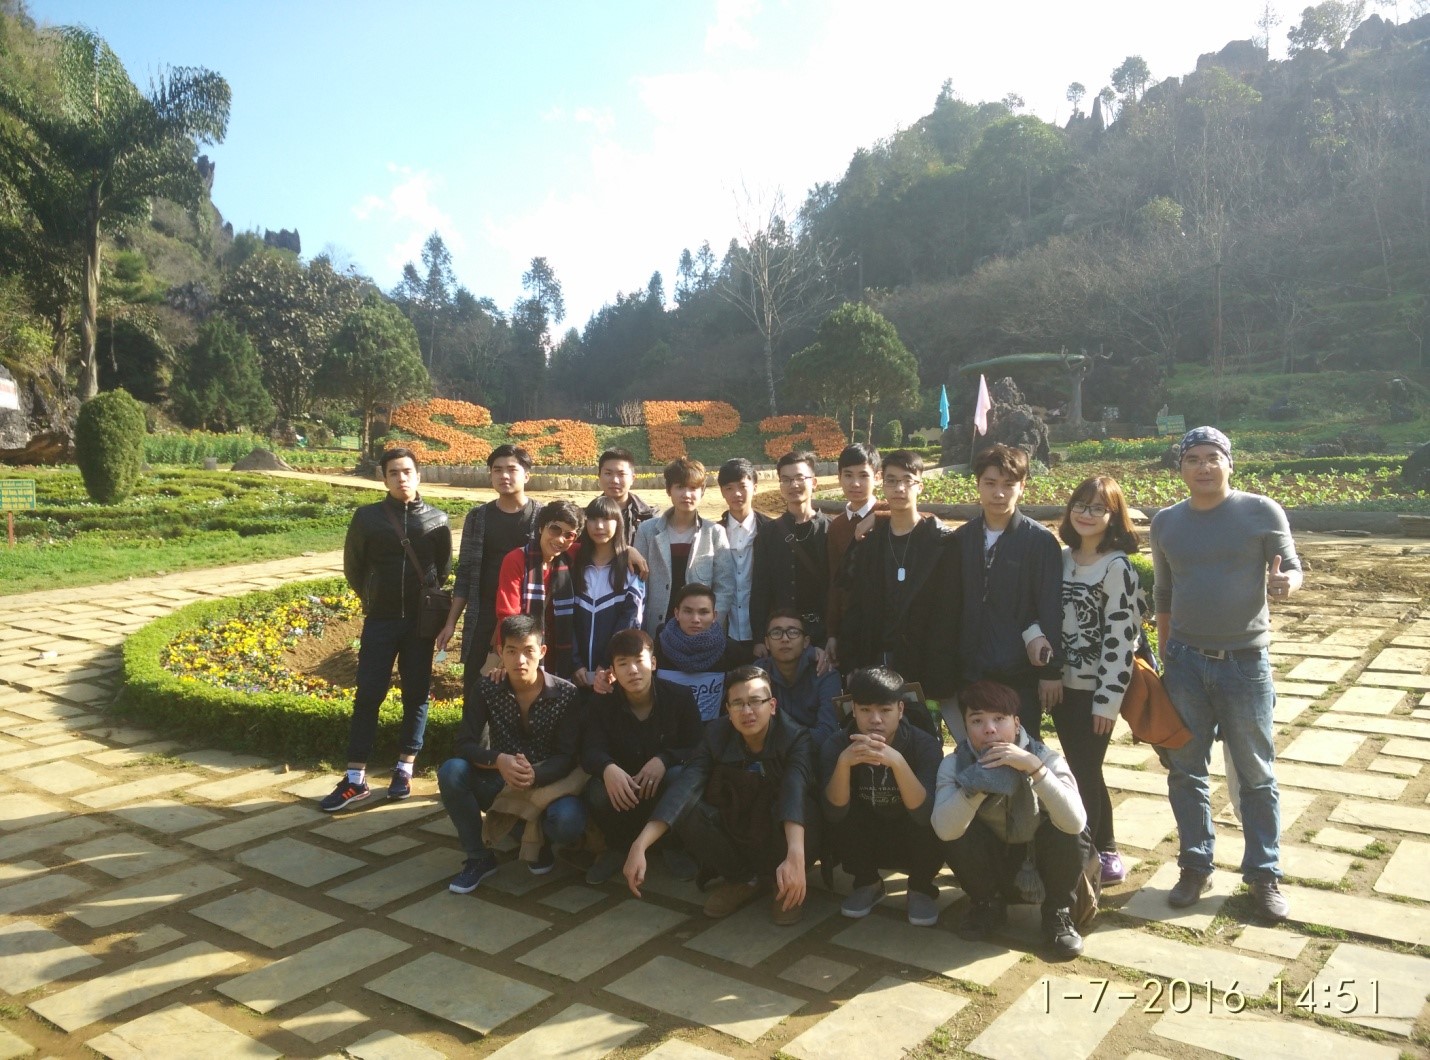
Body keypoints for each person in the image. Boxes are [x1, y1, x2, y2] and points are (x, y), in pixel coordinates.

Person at [1151, 426, 1301, 920]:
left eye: (1213, 457)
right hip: (1185, 664)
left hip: (1245, 663)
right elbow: (1163, 593)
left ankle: (1263, 874)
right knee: (1185, 770)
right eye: (1193, 458)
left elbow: (1292, 567)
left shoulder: (1261, 511)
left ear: (1229, 463)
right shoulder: (1167, 522)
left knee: (1256, 774)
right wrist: (1166, 655)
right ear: (1181, 468)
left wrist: (1286, 583)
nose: (1203, 466)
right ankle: (1195, 865)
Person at [623, 665, 816, 925]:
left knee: (803, 808)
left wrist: (795, 856)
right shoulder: (716, 733)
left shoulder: (795, 737)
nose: (747, 711)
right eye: (738, 703)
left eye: (755, 701)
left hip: (782, 829)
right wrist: (640, 844)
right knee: (689, 810)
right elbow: (686, 786)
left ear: (772, 705)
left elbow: (795, 791)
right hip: (739, 822)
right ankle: (742, 880)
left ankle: (784, 880)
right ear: (728, 710)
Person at [323, 447, 451, 812]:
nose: (401, 478)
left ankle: (404, 769)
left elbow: (442, 570)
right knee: (368, 694)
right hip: (380, 621)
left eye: (407, 471)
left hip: (418, 624)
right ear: (384, 479)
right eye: (393, 472)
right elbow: (354, 567)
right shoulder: (367, 518)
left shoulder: (437, 520)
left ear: (418, 475)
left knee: (416, 694)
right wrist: (373, 595)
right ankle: (355, 778)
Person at [931, 680, 1088, 959]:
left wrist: (1035, 770)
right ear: (966, 727)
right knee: (954, 819)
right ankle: (986, 904)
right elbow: (944, 830)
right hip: (995, 862)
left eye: (999, 719)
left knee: (1067, 822)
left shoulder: (1045, 758)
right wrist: (979, 784)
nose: (989, 729)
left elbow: (1075, 822)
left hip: (1041, 862)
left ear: (1016, 724)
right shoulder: (954, 764)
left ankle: (1058, 912)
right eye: (977, 721)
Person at [437, 614, 587, 889]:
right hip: (500, 781)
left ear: (542, 651)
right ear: (500, 652)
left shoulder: (566, 694)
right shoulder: (487, 688)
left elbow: (568, 756)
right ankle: (479, 857)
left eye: (528, 651)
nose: (520, 660)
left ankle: (538, 842)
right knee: (451, 771)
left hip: (547, 784)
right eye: (511, 651)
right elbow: (464, 744)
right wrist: (499, 761)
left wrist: (535, 775)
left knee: (568, 821)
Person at [1055, 475, 1142, 887]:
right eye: (1080, 505)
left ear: (1113, 516)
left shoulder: (1117, 567)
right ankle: (1090, 845)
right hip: (1060, 687)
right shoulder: (1062, 558)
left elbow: (1122, 639)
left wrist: (1107, 701)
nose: (1086, 514)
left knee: (1086, 769)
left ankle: (1101, 850)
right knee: (1079, 767)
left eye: (1097, 508)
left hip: (1094, 691)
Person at [951, 443, 1063, 737]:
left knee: (1021, 749)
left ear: (1022, 487)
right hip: (971, 670)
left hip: (1018, 672)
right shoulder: (962, 538)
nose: (998, 493)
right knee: (975, 749)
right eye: (990, 483)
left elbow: (1051, 608)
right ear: (977, 484)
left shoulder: (1039, 541)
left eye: (1008, 484)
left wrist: (1050, 671)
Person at [821, 667, 944, 926]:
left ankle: (920, 887)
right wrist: (844, 764)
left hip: (912, 834)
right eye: (865, 710)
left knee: (937, 814)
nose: (875, 719)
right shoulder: (836, 744)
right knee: (840, 805)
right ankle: (868, 883)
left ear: (900, 709)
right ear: (853, 710)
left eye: (885, 710)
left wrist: (897, 762)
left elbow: (925, 814)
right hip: (867, 835)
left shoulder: (924, 745)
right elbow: (833, 814)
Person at [581, 628, 703, 884]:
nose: (633, 670)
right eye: (623, 664)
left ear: (654, 663)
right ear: (613, 671)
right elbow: (590, 750)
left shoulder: (679, 698)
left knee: (680, 777)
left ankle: (671, 845)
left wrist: (664, 759)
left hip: (661, 784)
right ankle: (618, 848)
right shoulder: (601, 703)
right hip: (623, 786)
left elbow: (697, 746)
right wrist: (607, 768)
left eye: (639, 660)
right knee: (596, 790)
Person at [839, 449, 959, 705]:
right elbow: (856, 605)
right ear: (882, 484)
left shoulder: (940, 544)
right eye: (892, 481)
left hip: (923, 663)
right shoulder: (870, 544)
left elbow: (948, 614)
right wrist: (851, 661)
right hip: (877, 660)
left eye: (907, 480)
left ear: (920, 486)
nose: (899, 488)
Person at [437, 445, 539, 686]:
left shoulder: (542, 517)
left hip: (528, 617)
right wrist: (451, 622)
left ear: (526, 475)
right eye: (497, 470)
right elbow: (465, 573)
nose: (504, 475)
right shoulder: (477, 517)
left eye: (512, 469)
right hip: (483, 615)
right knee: (476, 684)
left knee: (523, 686)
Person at [633, 457, 735, 635]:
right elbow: (638, 584)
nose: (686, 494)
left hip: (701, 629)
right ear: (668, 490)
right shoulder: (647, 531)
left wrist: (711, 624)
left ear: (702, 491)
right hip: (657, 627)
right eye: (680, 487)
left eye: (693, 488)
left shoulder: (714, 532)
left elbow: (724, 586)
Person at [493, 499, 583, 679]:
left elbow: (605, 548)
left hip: (558, 647)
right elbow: (508, 613)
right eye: (554, 529)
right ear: (541, 527)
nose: (560, 539)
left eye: (569, 535)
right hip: (524, 648)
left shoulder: (572, 555)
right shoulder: (516, 559)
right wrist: (513, 655)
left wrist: (629, 551)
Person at [751, 451, 832, 649]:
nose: (793, 485)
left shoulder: (831, 529)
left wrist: (834, 635)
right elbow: (760, 588)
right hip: (782, 635)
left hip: (823, 631)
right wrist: (759, 639)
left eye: (799, 478)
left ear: (814, 482)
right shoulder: (768, 533)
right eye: (786, 480)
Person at [568, 496, 645, 695]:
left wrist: (607, 663)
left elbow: (630, 620)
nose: (599, 526)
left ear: (618, 523)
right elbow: (566, 617)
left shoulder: (631, 569)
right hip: (575, 673)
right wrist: (575, 662)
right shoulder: (573, 565)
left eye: (606, 519)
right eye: (593, 519)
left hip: (613, 673)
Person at [825, 442, 884, 668]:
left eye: (863, 475)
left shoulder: (890, 513)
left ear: (877, 477)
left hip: (884, 623)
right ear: (839, 477)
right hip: (851, 625)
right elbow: (835, 581)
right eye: (848, 475)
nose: (855, 483)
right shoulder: (837, 526)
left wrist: (879, 517)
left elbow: (927, 519)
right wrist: (832, 633)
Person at [654, 583, 747, 721]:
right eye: (688, 611)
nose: (695, 619)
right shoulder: (657, 649)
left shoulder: (731, 652)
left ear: (714, 616)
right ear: (677, 613)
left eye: (703, 612)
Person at [755, 609, 842, 746]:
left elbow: (827, 733)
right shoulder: (757, 674)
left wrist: (773, 736)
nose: (785, 639)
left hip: (813, 753)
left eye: (793, 632)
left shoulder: (825, 674)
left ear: (806, 642)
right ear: (766, 643)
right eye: (776, 633)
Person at [717, 457, 772, 656]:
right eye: (729, 488)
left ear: (755, 487)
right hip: (724, 635)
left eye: (742, 486)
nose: (737, 494)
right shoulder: (713, 532)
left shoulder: (771, 531)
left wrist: (765, 635)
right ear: (722, 492)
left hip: (763, 638)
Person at [598, 447, 655, 546]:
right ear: (599, 476)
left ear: (633, 478)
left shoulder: (649, 518)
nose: (615, 480)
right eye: (608, 473)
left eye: (621, 474)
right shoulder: (586, 517)